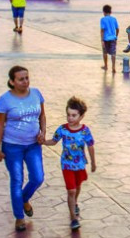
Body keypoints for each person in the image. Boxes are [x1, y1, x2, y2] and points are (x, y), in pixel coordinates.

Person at [0, 66, 47, 232]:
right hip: (12, 146)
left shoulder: (36, 93)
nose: (25, 82)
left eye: (27, 78)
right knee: (17, 179)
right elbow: (0, 124)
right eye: (21, 79)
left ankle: (23, 199)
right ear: (12, 82)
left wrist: (43, 132)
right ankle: (19, 217)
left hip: (33, 144)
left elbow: (42, 116)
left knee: (38, 177)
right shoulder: (5, 100)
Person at [41, 97, 96, 231]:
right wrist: (42, 141)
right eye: (68, 115)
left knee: (77, 187)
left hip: (80, 165)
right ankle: (73, 218)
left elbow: (90, 146)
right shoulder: (62, 129)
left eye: (74, 115)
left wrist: (93, 162)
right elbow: (54, 141)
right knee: (71, 190)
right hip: (67, 165)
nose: (70, 118)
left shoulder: (85, 131)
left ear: (81, 116)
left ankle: (75, 202)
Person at [100, 5, 119, 71]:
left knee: (105, 53)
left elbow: (102, 30)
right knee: (113, 53)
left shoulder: (103, 19)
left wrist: (102, 40)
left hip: (105, 39)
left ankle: (106, 66)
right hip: (113, 38)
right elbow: (117, 29)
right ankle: (113, 67)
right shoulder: (114, 19)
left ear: (104, 12)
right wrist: (116, 37)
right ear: (110, 12)